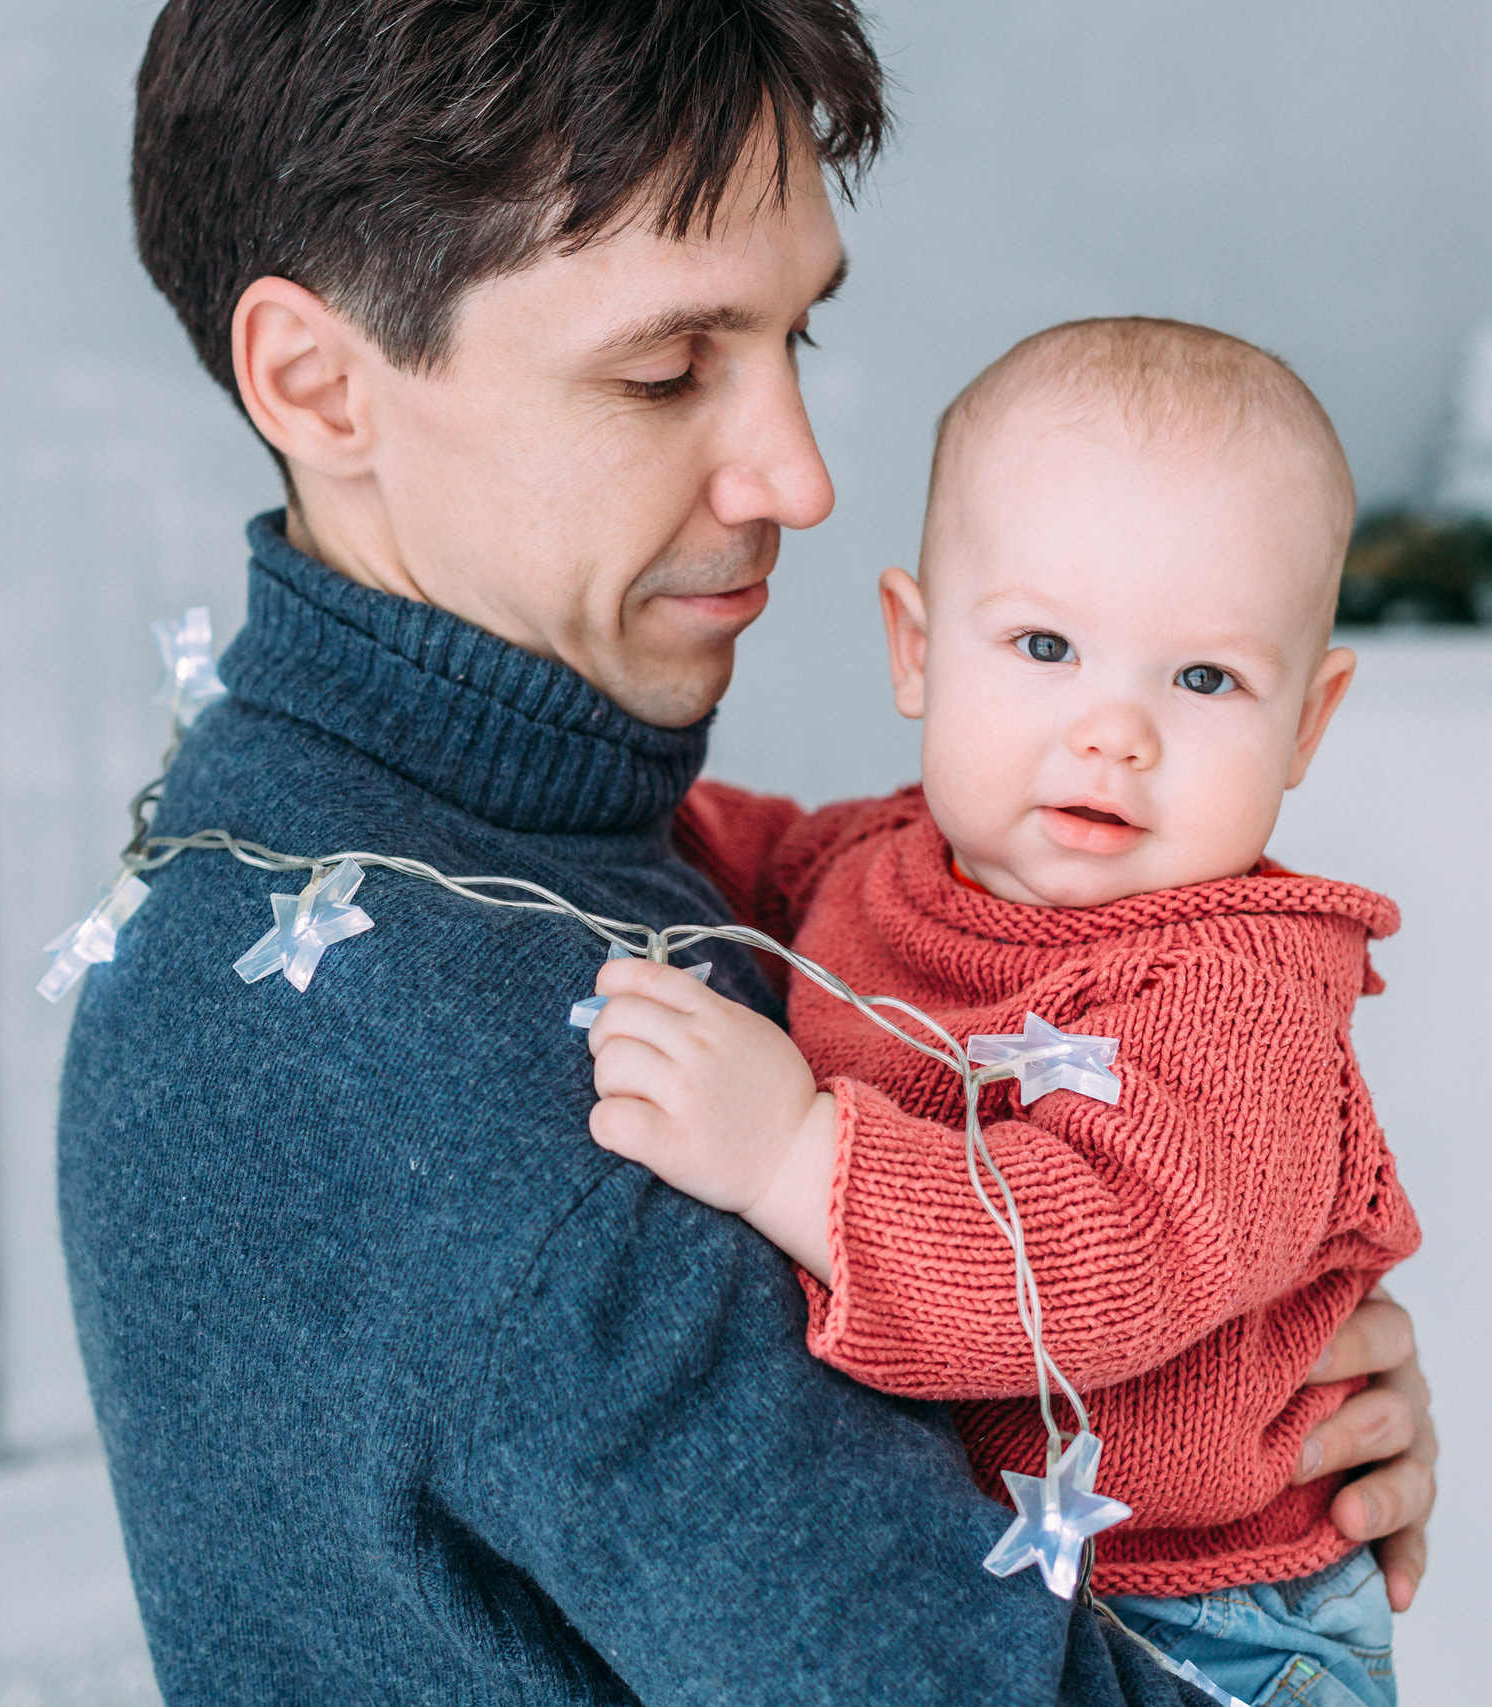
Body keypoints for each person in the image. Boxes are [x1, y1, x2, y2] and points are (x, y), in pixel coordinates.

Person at [58, 4, 1437, 1702]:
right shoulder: (475, 1044)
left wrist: (1218, 1405)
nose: (798, 473)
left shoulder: (412, 838)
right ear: (322, 384)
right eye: (664, 369)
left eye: (800, 340)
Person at [581, 318, 1415, 1707]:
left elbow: (1100, 1254)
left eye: (1203, 679)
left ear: (1307, 729)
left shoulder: (1240, 997)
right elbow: (713, 850)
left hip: (1214, 1633)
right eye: (1044, 644)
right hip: (1010, 1585)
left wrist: (797, 1159)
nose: (1114, 731)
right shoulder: (878, 864)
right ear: (916, 651)